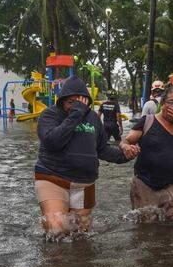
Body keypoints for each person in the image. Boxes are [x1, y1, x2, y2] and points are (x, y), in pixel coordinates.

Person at [34, 76, 140, 237]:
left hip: (84, 183)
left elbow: (102, 149)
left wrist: (125, 155)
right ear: (62, 101)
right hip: (53, 178)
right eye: (70, 102)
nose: (75, 106)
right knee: (57, 228)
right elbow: (52, 142)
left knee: (82, 233)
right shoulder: (50, 115)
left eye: (79, 102)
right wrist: (77, 113)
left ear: (88, 102)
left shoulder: (93, 119)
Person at [122, 86, 173, 223]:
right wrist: (126, 147)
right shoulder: (147, 121)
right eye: (172, 102)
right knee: (147, 228)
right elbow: (126, 140)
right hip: (145, 184)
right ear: (162, 104)